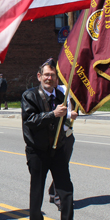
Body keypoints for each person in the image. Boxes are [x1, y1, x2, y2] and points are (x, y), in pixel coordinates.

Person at [21, 58, 85, 220]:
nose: (50, 78)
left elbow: (64, 121)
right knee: (37, 192)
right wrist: (53, 114)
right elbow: (30, 120)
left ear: (57, 78)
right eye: (46, 74)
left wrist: (69, 117)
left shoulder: (62, 96)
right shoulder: (29, 96)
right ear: (39, 76)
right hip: (38, 152)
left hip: (58, 150)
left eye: (53, 75)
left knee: (66, 192)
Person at [48, 83, 77, 211]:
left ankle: (52, 191)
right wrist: (70, 115)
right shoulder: (56, 91)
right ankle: (59, 198)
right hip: (57, 135)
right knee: (61, 167)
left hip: (68, 133)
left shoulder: (72, 90)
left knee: (63, 164)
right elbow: (54, 111)